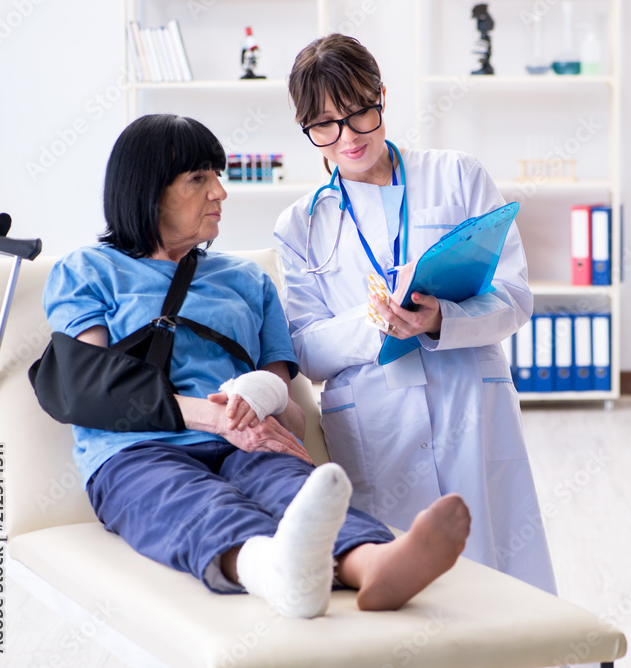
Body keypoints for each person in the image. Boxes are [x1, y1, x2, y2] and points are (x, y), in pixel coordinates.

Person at [41, 114, 470, 618]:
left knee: (296, 491)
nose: (220, 192)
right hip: (138, 452)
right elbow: (91, 387)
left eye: (218, 176)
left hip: (246, 442)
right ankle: (273, 572)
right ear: (147, 191)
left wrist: (260, 401)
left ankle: (374, 564)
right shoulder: (88, 271)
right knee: (194, 503)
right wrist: (214, 416)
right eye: (198, 178)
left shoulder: (247, 280)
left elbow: (288, 411)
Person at [274, 34, 556, 594]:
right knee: (407, 592)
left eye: (360, 113)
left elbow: (514, 297)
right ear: (305, 127)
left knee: (498, 579)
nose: (348, 138)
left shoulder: (457, 176)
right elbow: (304, 348)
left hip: (469, 402)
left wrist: (439, 318)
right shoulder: (300, 225)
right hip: (378, 424)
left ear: (382, 96)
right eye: (325, 125)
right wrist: (373, 322)